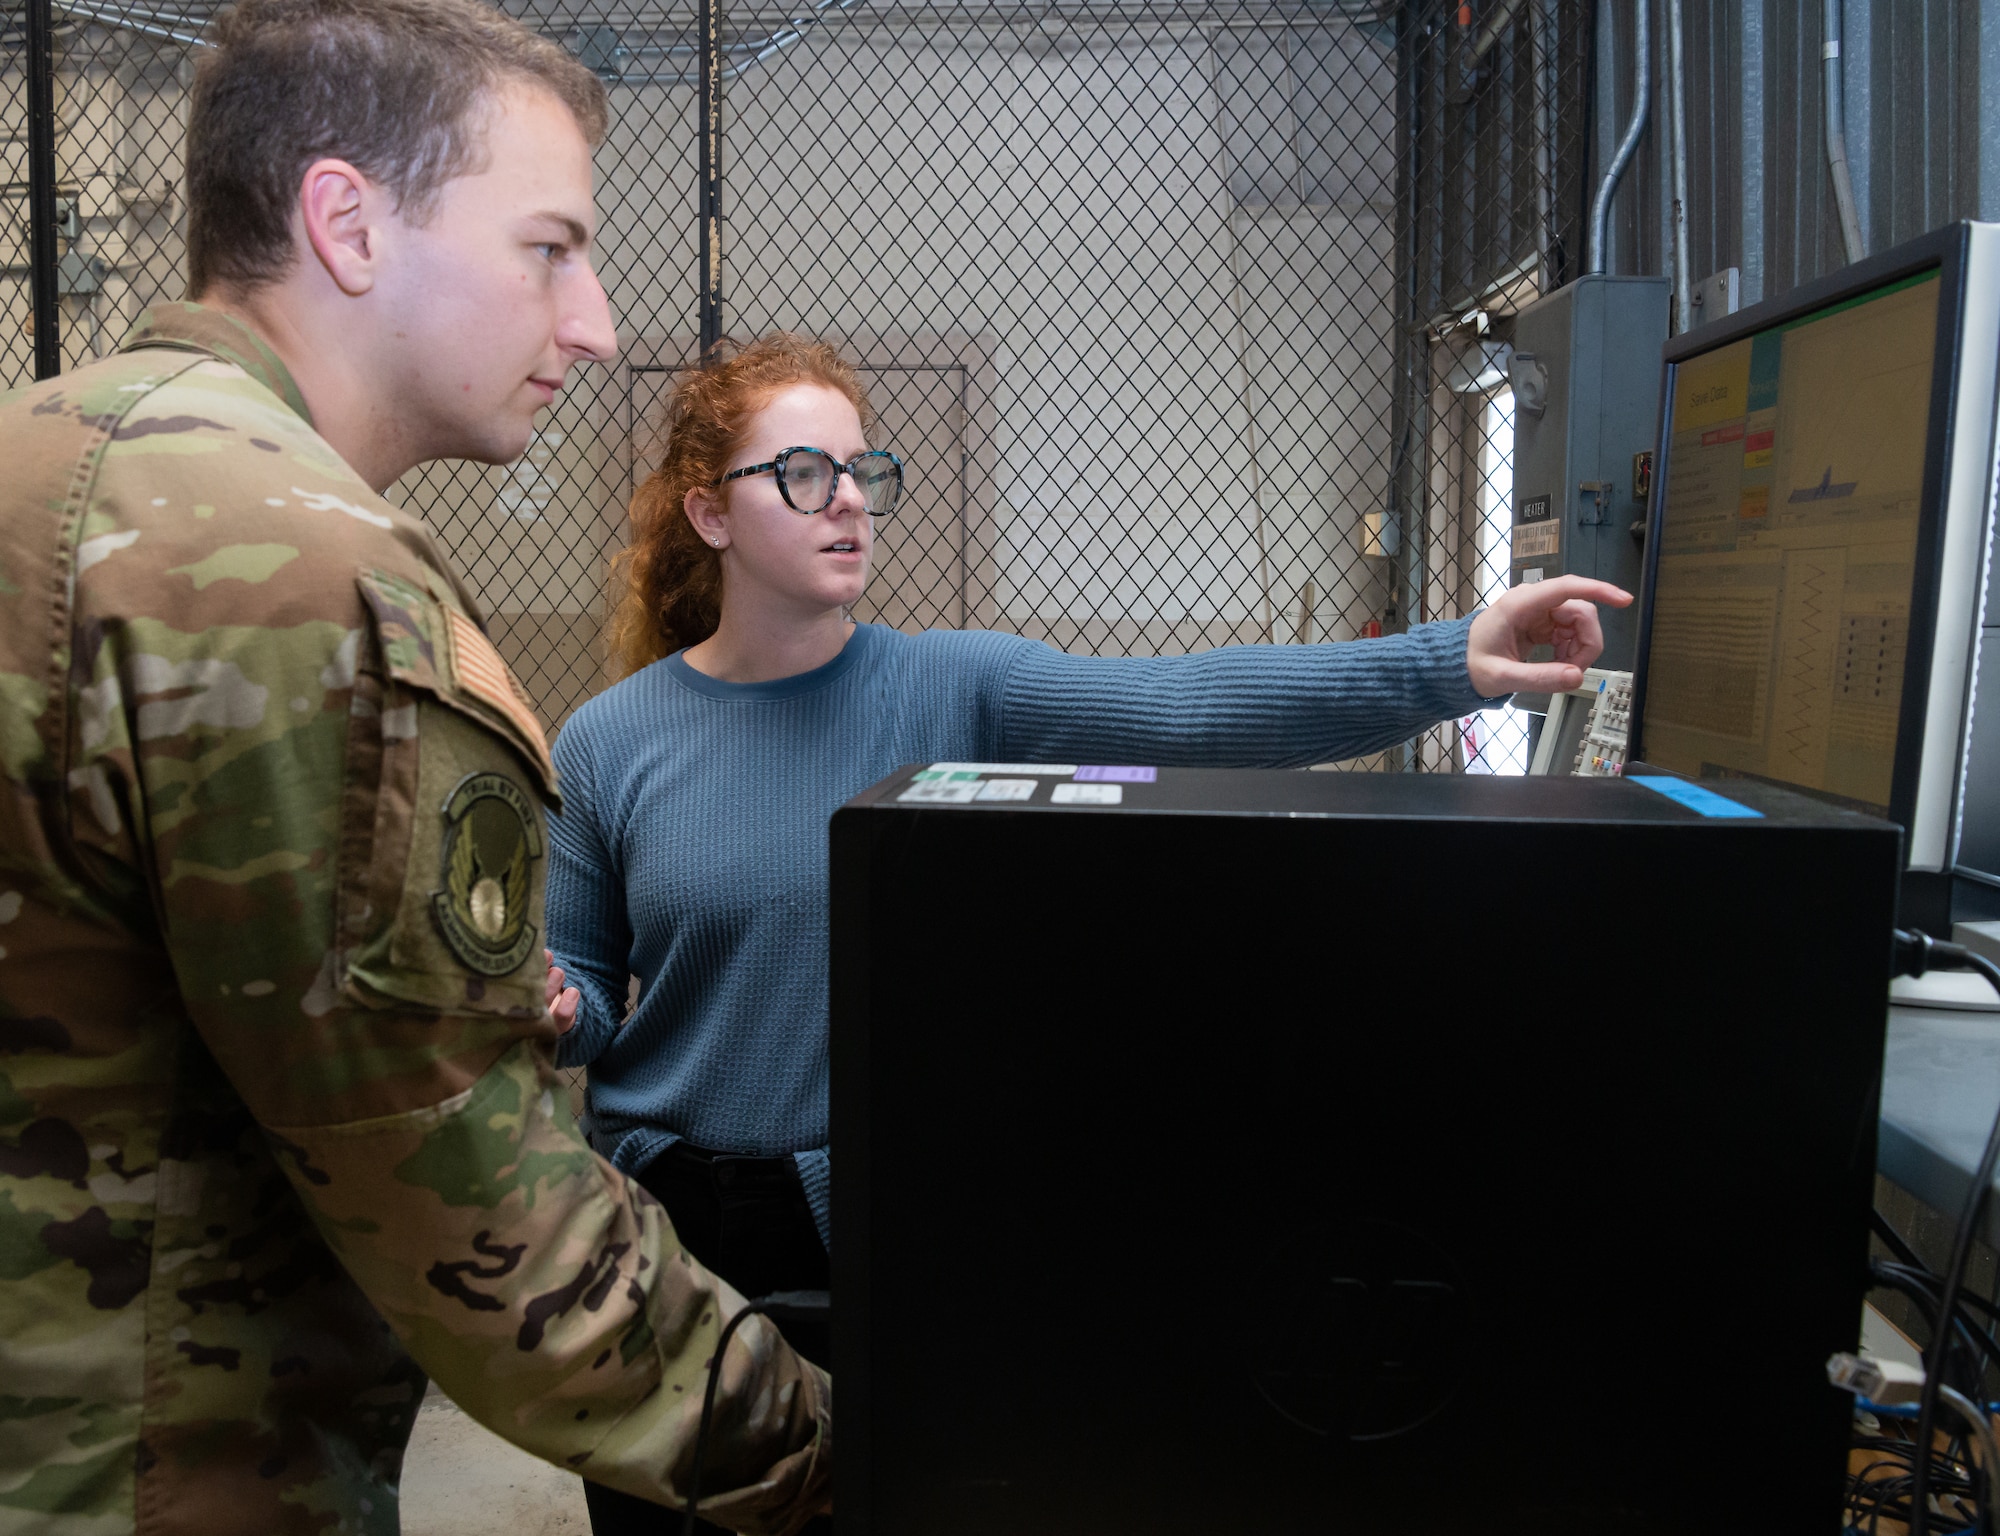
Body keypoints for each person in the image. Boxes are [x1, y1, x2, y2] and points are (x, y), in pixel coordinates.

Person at [545, 333, 1628, 1533]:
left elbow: (1193, 705)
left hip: (862, 1201)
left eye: (860, 469)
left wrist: (1450, 661)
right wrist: (546, 1004)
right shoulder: (607, 740)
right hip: (660, 1218)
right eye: (802, 472)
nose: (848, 498)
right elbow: (587, 992)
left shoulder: (958, 689)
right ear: (708, 512)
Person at [0, 3, 828, 1532]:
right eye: (549, 248)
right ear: (347, 223)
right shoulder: (300, 568)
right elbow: (473, 1208)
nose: (595, 323)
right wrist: (831, 1461)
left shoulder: (41, 455)